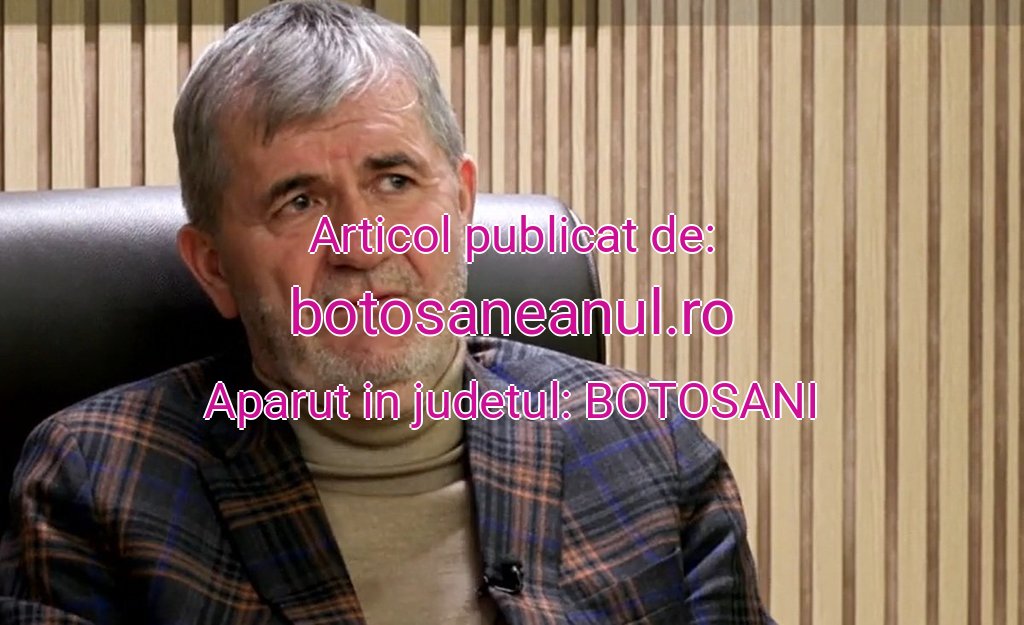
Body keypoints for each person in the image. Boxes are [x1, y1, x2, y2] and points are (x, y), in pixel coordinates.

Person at [0, 1, 773, 623]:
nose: (363, 245)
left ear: (460, 204)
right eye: (299, 201)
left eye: (395, 182)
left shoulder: (652, 450)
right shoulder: (96, 483)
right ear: (214, 266)